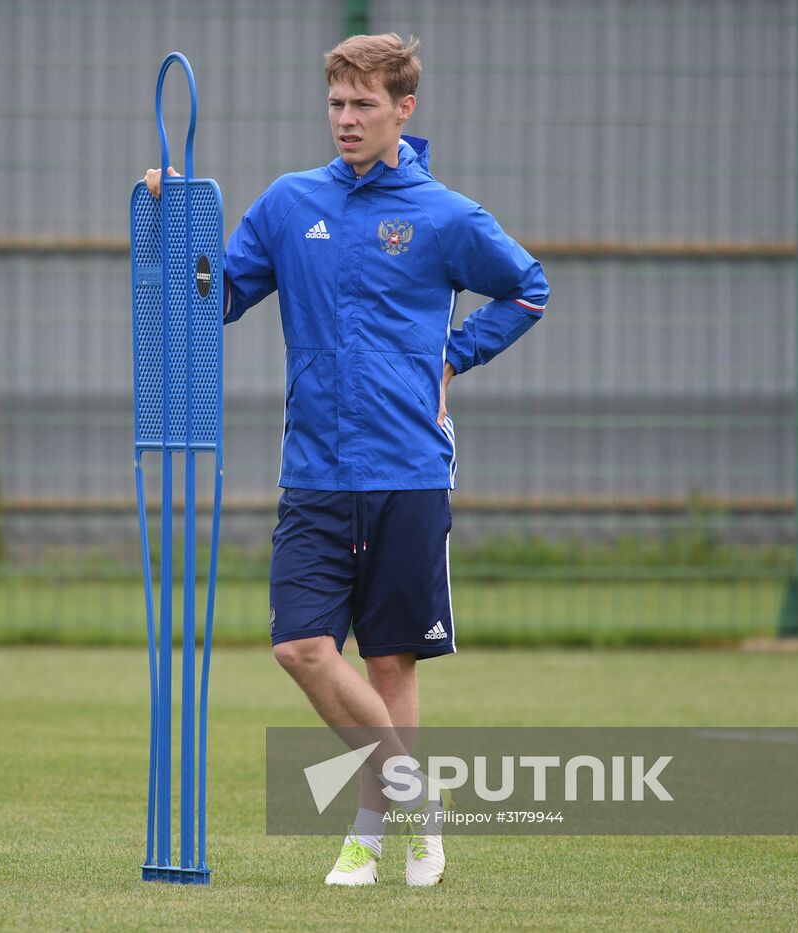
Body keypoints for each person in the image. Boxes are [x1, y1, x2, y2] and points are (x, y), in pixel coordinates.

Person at [145, 33, 548, 887]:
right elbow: (214, 298)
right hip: (315, 473)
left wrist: (455, 356)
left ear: (405, 108)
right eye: (336, 102)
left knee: (390, 661)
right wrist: (173, 218)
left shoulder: (446, 215)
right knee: (300, 646)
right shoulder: (291, 203)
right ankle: (420, 798)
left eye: (364, 104)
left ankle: (369, 837)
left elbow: (528, 287)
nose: (346, 119)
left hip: (408, 471)